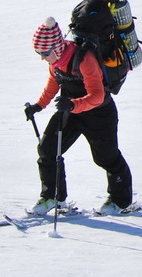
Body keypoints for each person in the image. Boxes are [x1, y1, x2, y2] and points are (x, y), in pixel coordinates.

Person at [25, 16, 135, 215]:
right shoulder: (56, 61)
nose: (42, 57)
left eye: (44, 52)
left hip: (99, 115)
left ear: (56, 47)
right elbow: (53, 84)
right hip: (71, 112)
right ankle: (53, 197)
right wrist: (39, 106)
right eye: (38, 52)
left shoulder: (84, 59)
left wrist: (72, 104)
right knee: (48, 148)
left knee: (106, 158)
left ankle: (121, 201)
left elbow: (98, 96)